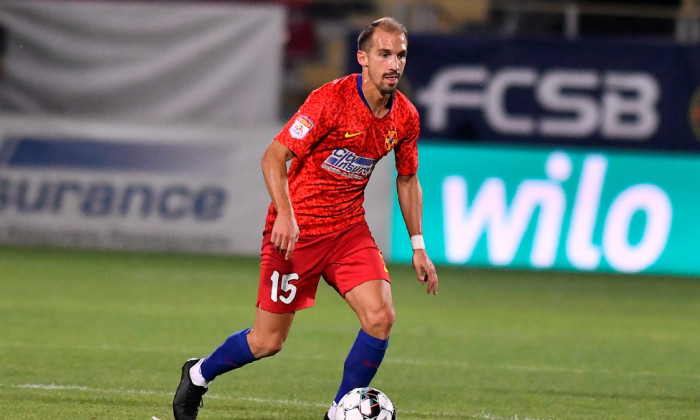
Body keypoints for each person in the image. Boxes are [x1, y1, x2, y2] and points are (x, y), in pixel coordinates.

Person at [172, 16, 439, 420]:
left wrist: (419, 246)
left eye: (400, 54)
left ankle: (339, 411)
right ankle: (198, 374)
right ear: (362, 58)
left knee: (381, 316)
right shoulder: (330, 100)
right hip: (295, 233)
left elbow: (407, 178)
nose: (394, 64)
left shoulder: (405, 117)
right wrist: (285, 214)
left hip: (348, 230)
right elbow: (273, 157)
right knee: (267, 341)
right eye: (384, 54)